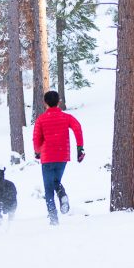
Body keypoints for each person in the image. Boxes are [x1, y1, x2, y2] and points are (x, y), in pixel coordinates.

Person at [32, 90, 84, 225]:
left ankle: (53, 219)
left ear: (45, 103)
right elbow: (77, 128)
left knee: (49, 188)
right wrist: (80, 148)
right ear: (59, 102)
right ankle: (62, 196)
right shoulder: (66, 117)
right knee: (56, 181)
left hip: (47, 157)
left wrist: (37, 152)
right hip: (62, 156)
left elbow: (36, 138)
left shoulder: (41, 119)